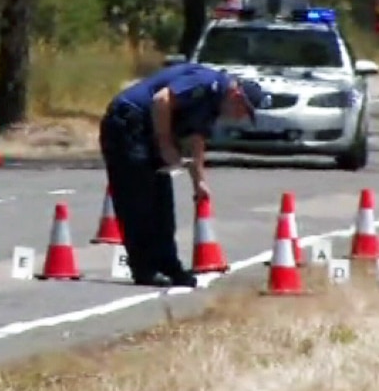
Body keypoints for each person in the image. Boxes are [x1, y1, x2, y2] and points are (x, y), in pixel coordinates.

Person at [99, 62, 270, 287]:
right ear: (236, 95)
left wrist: (199, 181)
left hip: (146, 129)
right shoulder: (207, 83)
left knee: (161, 202)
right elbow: (162, 100)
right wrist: (166, 145)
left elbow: (195, 139)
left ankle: (169, 264)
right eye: (242, 111)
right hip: (128, 123)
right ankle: (144, 268)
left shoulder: (214, 104)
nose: (239, 118)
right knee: (137, 199)